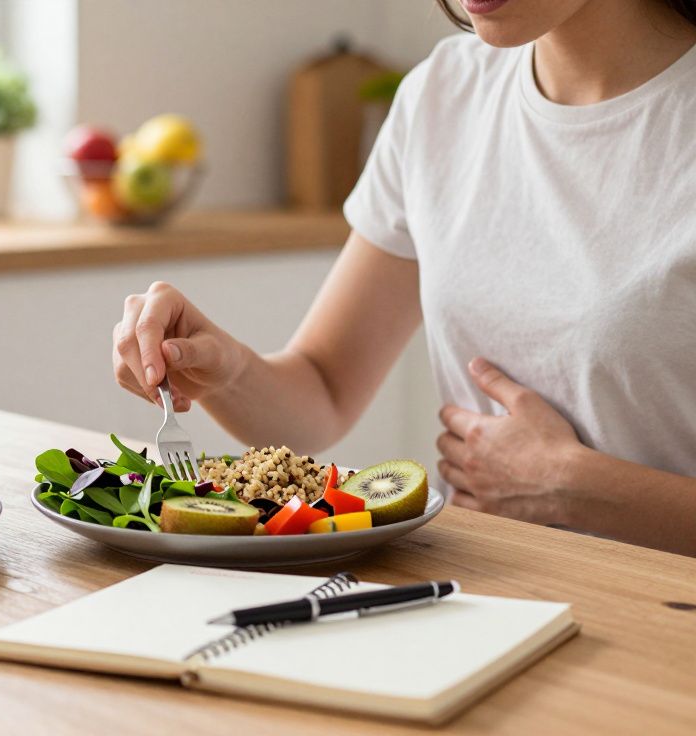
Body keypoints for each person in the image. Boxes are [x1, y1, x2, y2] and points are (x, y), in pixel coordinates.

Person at [111, 0, 696, 557]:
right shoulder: (444, 95)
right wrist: (223, 368)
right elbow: (323, 391)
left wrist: (573, 485)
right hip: (483, 587)